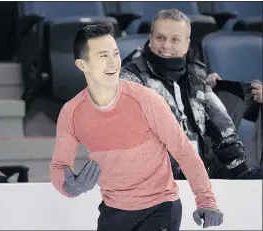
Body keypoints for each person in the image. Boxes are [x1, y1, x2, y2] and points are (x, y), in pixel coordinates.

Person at [50, 23, 223, 231]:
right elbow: (59, 165)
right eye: (103, 55)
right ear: (82, 64)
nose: (113, 62)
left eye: (115, 53)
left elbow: (184, 152)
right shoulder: (72, 112)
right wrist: (70, 186)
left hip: (160, 208)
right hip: (112, 212)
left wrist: (206, 201)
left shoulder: (146, 100)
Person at [119, 9, 262, 179]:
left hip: (198, 173)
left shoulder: (196, 73)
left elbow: (221, 126)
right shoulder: (130, 76)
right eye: (160, 38)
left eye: (175, 39)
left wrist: (241, 172)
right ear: (150, 37)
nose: (166, 46)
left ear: (186, 44)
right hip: (153, 178)